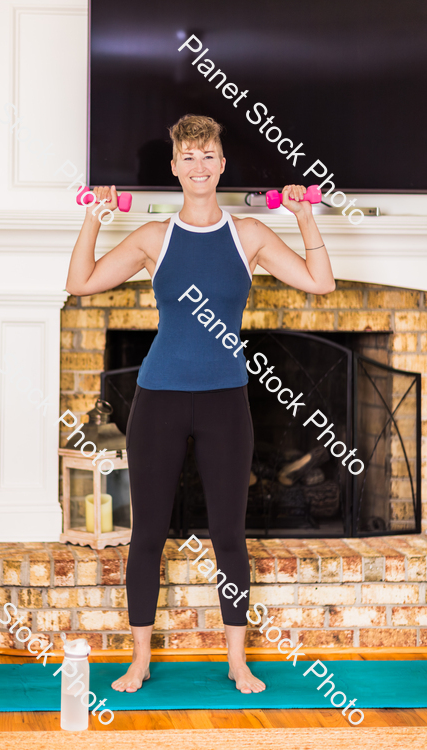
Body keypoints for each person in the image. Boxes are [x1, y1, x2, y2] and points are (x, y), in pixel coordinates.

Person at [65, 114, 335, 695]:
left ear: (221, 163)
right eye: (187, 156)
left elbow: (320, 284)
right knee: (147, 535)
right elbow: (81, 282)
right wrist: (93, 219)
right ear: (174, 166)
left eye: (207, 154)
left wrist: (306, 217)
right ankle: (139, 659)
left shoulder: (248, 236)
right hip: (159, 399)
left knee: (229, 533)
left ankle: (237, 662)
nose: (198, 165)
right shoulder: (154, 238)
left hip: (223, 400)